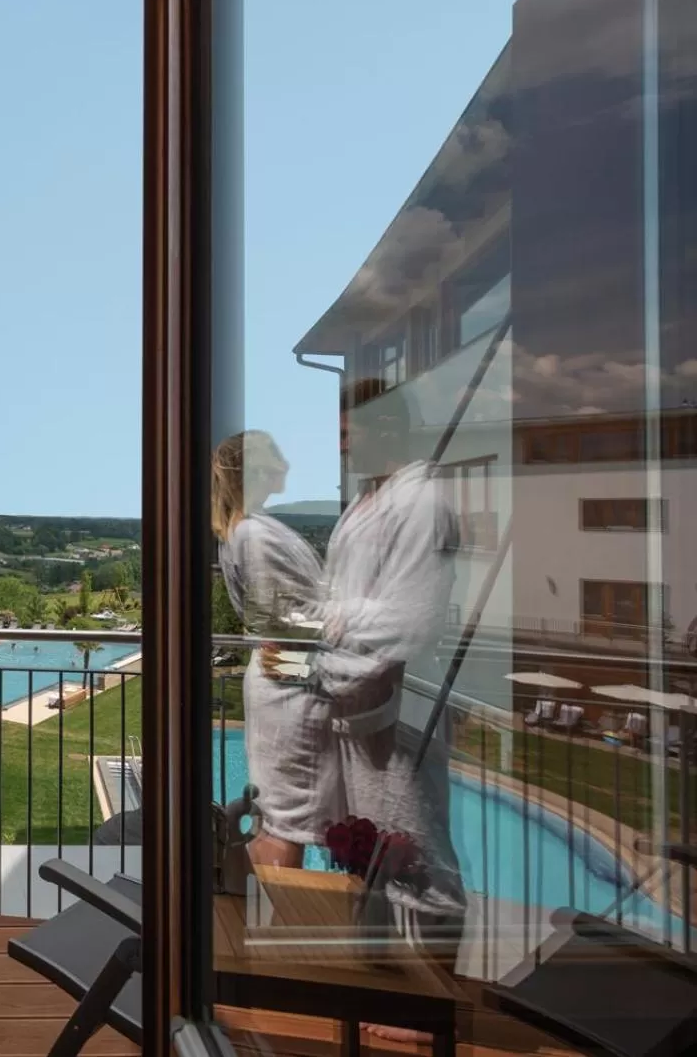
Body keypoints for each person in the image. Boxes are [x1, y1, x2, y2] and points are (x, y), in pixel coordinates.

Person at [273, 378, 465, 1043]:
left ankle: (434, 1014)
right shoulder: (370, 499)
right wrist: (325, 642)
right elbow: (345, 599)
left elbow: (410, 620)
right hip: (356, 702)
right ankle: (384, 988)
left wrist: (331, 644)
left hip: (399, 707)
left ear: (388, 426)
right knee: (374, 852)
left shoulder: (422, 501)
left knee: (422, 857)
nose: (340, 445)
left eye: (348, 431)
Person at [212, 430, 337, 869]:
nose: (286, 464)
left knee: (282, 817)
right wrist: (349, 620)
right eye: (276, 457)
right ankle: (273, 906)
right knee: (286, 822)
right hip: (286, 685)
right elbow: (280, 621)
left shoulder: (252, 527)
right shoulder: (254, 534)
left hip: (285, 676)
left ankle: (255, 900)